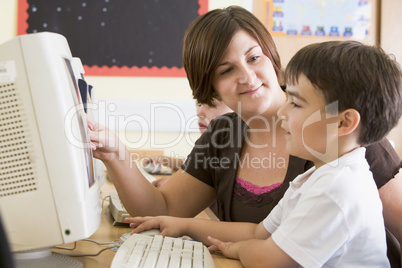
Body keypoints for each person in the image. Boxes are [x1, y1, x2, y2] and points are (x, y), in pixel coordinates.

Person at [87, 6, 402, 266]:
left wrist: (236, 249)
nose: (247, 77)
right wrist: (116, 154)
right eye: (226, 70)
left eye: (254, 58)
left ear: (271, 58)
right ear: (210, 88)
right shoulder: (223, 134)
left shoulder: (346, 138)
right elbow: (164, 211)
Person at [151, 98, 233, 187]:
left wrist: (177, 182)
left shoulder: (232, 151)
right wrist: (166, 160)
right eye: (199, 104)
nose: (199, 113)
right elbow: (197, 165)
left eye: (211, 104)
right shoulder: (208, 144)